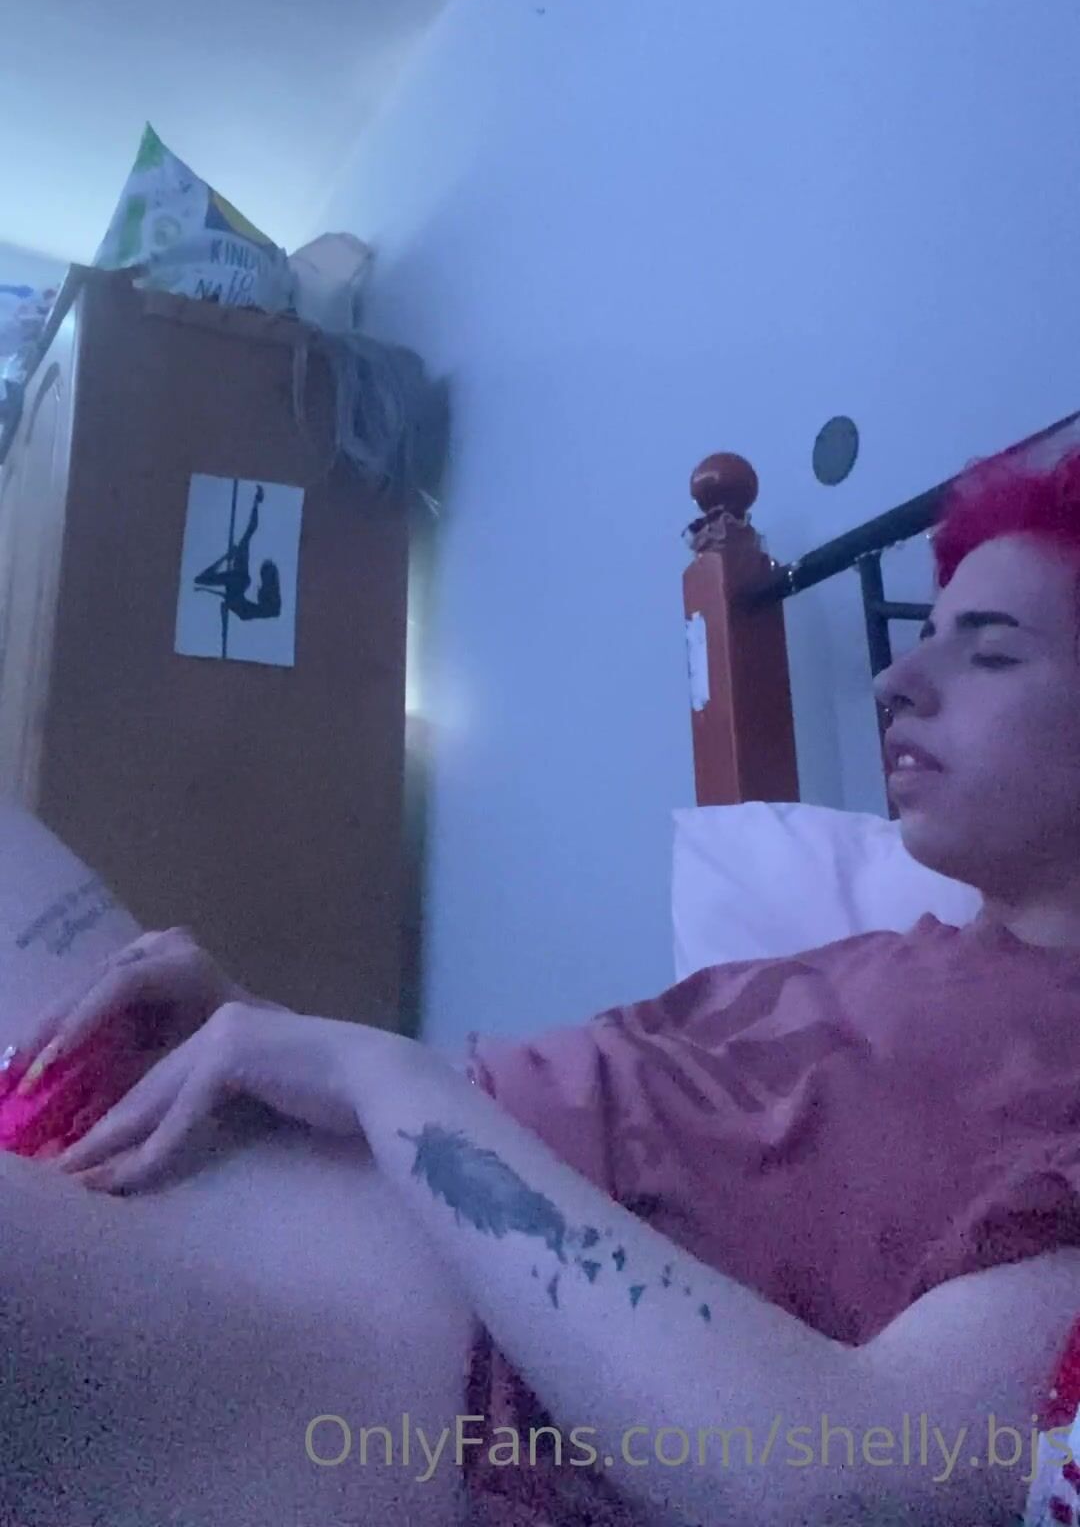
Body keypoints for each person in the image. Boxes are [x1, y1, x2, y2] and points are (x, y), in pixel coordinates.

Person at [6, 448, 1080, 1525]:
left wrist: (380, 1074)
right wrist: (269, 1032)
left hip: (398, 1353)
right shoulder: (890, 954)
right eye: (925, 635)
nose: (896, 682)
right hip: (280, 1152)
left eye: (991, 654)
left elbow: (840, 1486)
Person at [194, 483, 282, 622]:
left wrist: (226, 557)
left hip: (239, 588)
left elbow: (225, 600)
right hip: (239, 587)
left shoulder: (265, 602)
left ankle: (256, 502)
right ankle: (256, 502)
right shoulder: (249, 587)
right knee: (245, 542)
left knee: (244, 546)